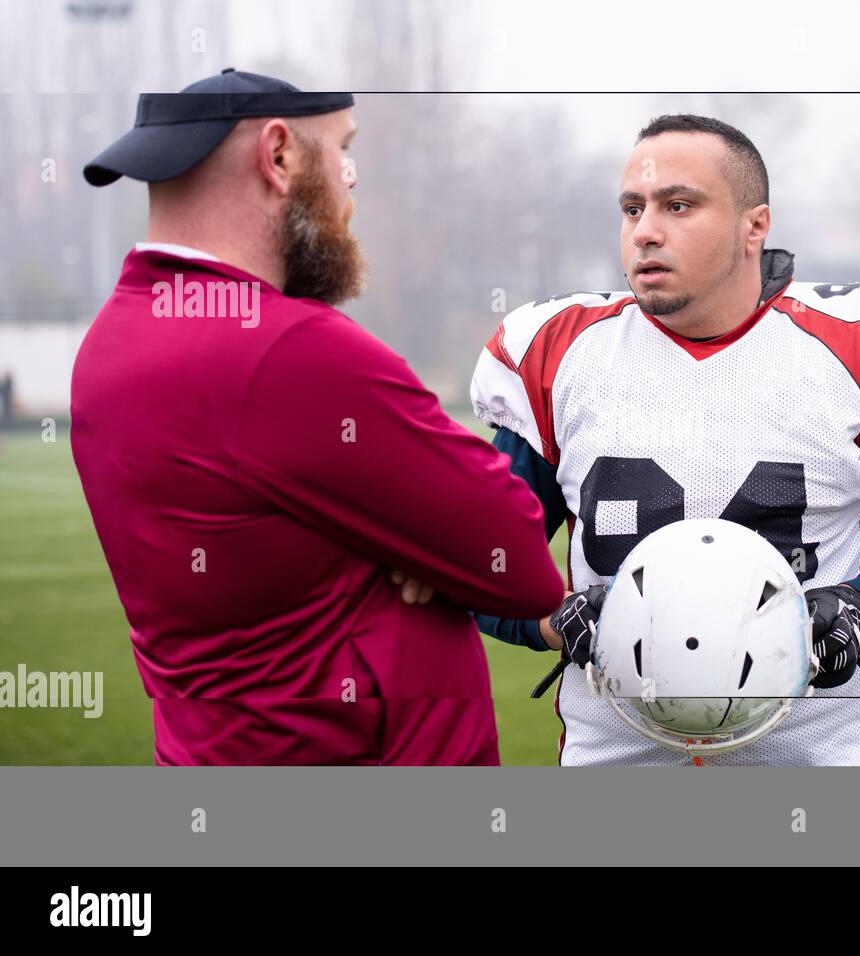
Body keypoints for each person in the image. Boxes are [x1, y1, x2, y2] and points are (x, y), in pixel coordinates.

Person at [470, 115, 860, 766]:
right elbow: (474, 560)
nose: (645, 231)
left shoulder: (858, 347)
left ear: (755, 226)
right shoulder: (558, 354)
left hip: (818, 756)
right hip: (615, 760)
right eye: (632, 208)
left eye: (679, 205)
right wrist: (554, 621)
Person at [73, 69, 563, 765]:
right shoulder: (288, 348)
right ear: (278, 156)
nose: (350, 182)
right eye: (342, 151)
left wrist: (403, 547)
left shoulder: (109, 341)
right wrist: (423, 550)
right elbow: (517, 560)